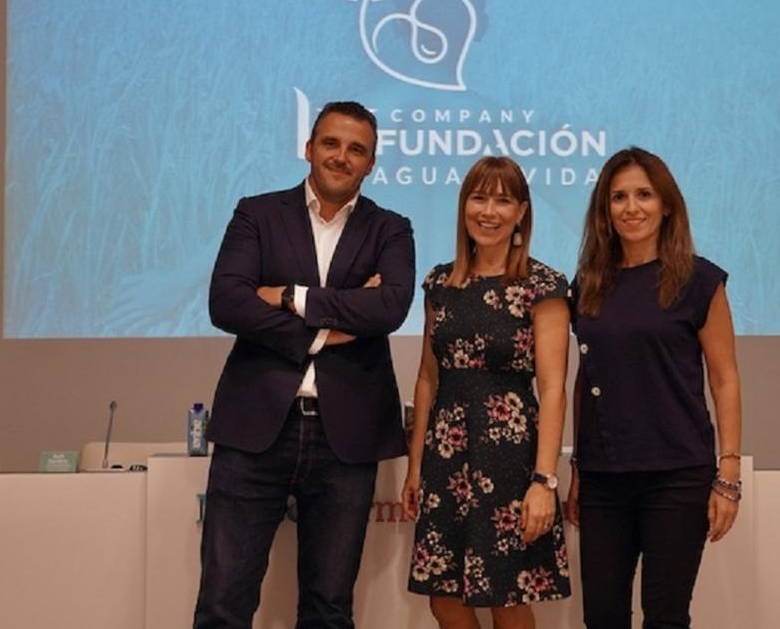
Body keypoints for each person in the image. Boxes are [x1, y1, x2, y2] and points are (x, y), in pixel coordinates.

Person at [195, 101, 416, 628]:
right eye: (332, 144)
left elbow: (389, 307)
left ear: (372, 163)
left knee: (329, 608)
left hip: (347, 438)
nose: (342, 157)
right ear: (309, 148)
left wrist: (289, 296)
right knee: (223, 603)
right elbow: (227, 301)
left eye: (356, 150)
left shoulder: (391, 228)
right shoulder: (257, 213)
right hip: (256, 428)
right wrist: (325, 330)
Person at [565, 147, 742, 629]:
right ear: (605, 210)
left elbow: (724, 379)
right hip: (603, 476)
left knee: (665, 617)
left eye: (644, 194)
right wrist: (579, 466)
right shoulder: (588, 283)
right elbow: (587, 378)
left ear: (666, 204)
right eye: (618, 197)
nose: (631, 207)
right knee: (602, 616)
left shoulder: (700, 280)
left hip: (677, 474)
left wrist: (728, 476)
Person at [402, 156, 572, 627]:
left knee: (507, 596)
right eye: (479, 198)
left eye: (502, 200)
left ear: (521, 212)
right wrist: (416, 466)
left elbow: (554, 388)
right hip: (446, 459)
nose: (489, 211)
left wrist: (544, 481)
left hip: (512, 463)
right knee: (444, 598)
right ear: (464, 207)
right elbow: (427, 378)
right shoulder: (440, 282)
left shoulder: (543, 285)